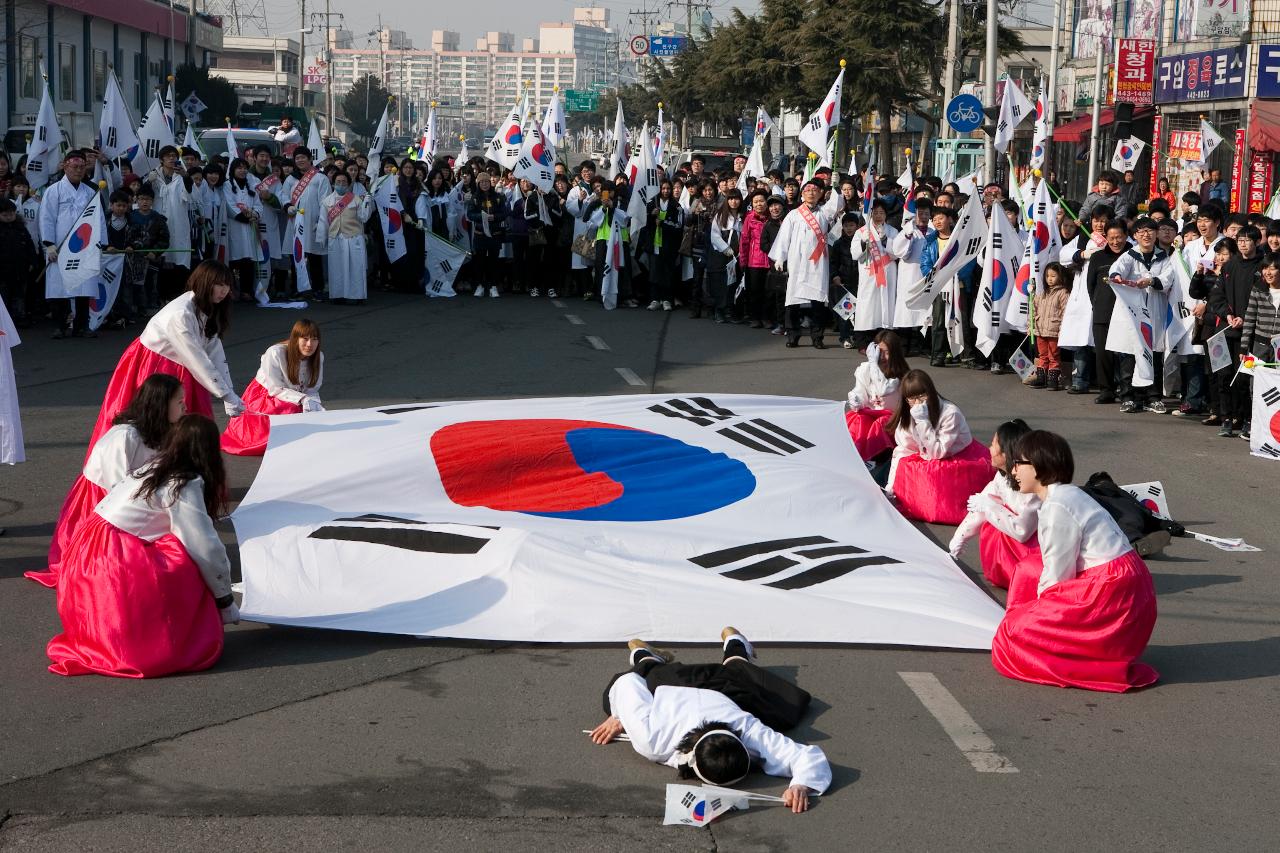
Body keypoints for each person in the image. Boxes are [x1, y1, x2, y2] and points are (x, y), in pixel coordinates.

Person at [47, 414, 239, 678]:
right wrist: (224, 599)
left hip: (86, 552)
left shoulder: (153, 467)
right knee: (182, 555)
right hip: (111, 559)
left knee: (172, 544)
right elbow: (204, 546)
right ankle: (164, 639)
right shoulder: (183, 483)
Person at [590, 628, 830, 812]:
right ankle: (645, 657)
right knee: (638, 678)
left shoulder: (748, 730)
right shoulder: (651, 740)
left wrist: (800, 785)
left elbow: (807, 758)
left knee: (765, 696)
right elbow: (627, 684)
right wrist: (619, 715)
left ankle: (737, 649)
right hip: (671, 685)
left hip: (722, 687)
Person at [990, 430, 1159, 692]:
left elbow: (1058, 575)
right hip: (1125, 584)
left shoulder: (1057, 506)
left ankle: (1050, 646)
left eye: (1018, 464)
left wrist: (1037, 613)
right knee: (1028, 569)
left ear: (1039, 464)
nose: (1013, 471)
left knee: (1010, 635)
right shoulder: (1068, 494)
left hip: (1111, 592)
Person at [27, 374, 184, 588]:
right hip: (101, 501)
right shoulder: (125, 436)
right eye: (179, 401)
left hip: (133, 495)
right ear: (161, 405)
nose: (185, 406)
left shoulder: (164, 430)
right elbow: (117, 487)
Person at [87, 260, 242, 451]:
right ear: (204, 282)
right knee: (155, 423)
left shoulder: (207, 307)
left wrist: (230, 393)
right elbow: (197, 358)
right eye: (219, 284)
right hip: (154, 365)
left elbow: (214, 350)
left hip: (181, 365)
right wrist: (226, 394)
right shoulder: (180, 314)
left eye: (227, 285)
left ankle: (191, 471)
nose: (224, 290)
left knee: (189, 422)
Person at [885, 369, 992, 524]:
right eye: (912, 399)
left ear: (931, 392)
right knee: (908, 465)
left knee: (935, 475)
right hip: (929, 454)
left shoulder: (950, 412)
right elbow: (904, 448)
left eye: (922, 396)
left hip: (958, 456)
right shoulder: (908, 413)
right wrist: (891, 487)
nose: (918, 403)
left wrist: (922, 421)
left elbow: (938, 452)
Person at [948, 418, 1039, 594]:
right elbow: (982, 504)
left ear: (1006, 454)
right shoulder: (1001, 477)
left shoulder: (1032, 487)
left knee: (992, 511)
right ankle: (1004, 571)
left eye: (993, 444)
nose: (989, 449)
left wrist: (991, 507)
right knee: (990, 511)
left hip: (1036, 548)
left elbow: (1023, 532)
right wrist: (959, 539)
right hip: (1017, 537)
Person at [222, 319, 324, 456]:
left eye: (314, 339)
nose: (310, 344)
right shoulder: (276, 352)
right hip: (265, 395)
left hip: (294, 395)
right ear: (295, 338)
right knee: (292, 409)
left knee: (313, 412)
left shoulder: (319, 357)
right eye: (305, 339)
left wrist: (314, 403)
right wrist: (303, 399)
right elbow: (275, 388)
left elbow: (312, 388)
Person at [768, 179, 844, 348]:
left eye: (815, 190)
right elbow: (783, 238)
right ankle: (793, 335)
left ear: (820, 194)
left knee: (818, 301)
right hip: (798, 263)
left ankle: (817, 337)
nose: (811, 192)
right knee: (793, 300)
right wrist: (780, 257)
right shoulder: (793, 215)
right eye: (808, 190)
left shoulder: (824, 213)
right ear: (802, 194)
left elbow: (837, 204)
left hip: (818, 264)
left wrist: (836, 186)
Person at [40, 150, 99, 339]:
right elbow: (46, 218)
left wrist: (100, 244)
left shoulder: (90, 191)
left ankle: (82, 325)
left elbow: (97, 219)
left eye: (82, 167)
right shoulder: (54, 190)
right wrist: (49, 244)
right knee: (59, 287)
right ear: (65, 166)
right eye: (75, 166)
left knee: (83, 285)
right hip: (59, 246)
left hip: (83, 247)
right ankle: (60, 325)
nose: (79, 170)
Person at [845, 330, 909, 461]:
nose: (882, 357)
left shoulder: (901, 373)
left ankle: (879, 458)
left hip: (893, 418)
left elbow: (883, 390)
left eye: (887, 352)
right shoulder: (865, 369)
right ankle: (854, 458)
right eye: (879, 352)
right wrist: (856, 399)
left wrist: (874, 364)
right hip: (871, 414)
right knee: (856, 419)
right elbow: (860, 389)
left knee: (880, 423)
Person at [318, 170, 373, 305]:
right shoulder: (327, 201)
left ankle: (357, 295)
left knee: (355, 268)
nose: (341, 184)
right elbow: (323, 222)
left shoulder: (356, 200)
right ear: (333, 183)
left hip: (353, 238)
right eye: (338, 182)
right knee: (336, 268)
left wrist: (367, 202)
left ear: (349, 184)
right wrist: (321, 239)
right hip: (335, 238)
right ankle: (338, 295)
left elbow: (364, 217)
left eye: (344, 182)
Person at [849, 199, 902, 338]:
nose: (878, 215)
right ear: (870, 214)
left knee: (886, 302)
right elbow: (855, 254)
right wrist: (862, 242)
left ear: (886, 215)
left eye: (881, 213)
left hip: (887, 272)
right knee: (868, 304)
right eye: (875, 212)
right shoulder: (861, 231)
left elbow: (897, 253)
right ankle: (864, 338)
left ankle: (885, 335)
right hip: (869, 273)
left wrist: (885, 240)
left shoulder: (893, 231)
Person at [1027, 262, 1073, 390]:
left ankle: (1053, 380)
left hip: (1054, 331)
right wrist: (1030, 326)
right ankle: (1041, 378)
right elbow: (1032, 310)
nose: (1050, 279)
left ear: (1060, 276)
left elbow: (1065, 312)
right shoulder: (1041, 293)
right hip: (1040, 330)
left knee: (1054, 356)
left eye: (1053, 276)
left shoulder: (1063, 293)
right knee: (1042, 355)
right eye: (1047, 276)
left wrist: (1063, 330)